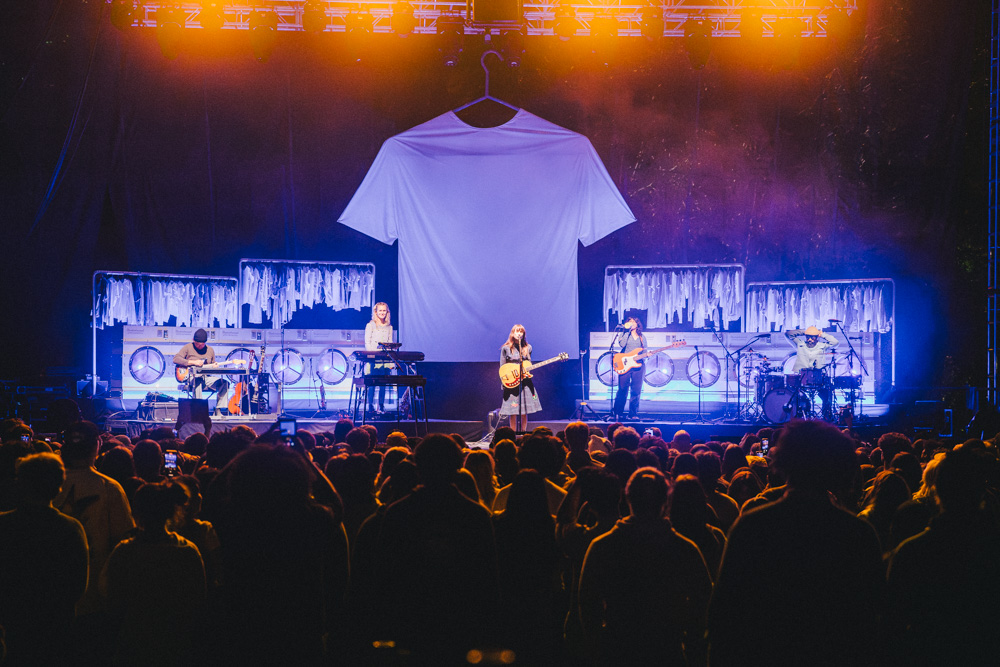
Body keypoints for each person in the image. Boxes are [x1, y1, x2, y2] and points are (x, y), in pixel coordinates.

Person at [0, 453, 89, 665]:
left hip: (12, 622)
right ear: (59, 485)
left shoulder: (4, 525)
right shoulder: (70, 528)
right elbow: (78, 585)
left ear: (21, 483)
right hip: (56, 624)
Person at [784, 325, 838, 419]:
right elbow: (788, 334)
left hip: (818, 377)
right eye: (808, 337)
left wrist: (822, 334)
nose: (809, 339)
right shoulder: (800, 344)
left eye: (812, 337)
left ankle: (826, 416)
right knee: (795, 396)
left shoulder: (822, 346)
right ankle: (798, 416)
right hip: (802, 378)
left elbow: (835, 343)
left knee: (827, 395)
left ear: (817, 338)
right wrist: (803, 331)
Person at [173, 328, 230, 417]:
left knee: (225, 383)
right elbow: (176, 359)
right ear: (193, 340)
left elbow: (211, 369)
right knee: (198, 379)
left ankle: (218, 409)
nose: (199, 347)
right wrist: (193, 362)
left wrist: (213, 366)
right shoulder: (188, 347)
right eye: (197, 344)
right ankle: (198, 410)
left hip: (205, 377)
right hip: (191, 377)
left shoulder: (210, 350)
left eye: (202, 345)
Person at [499, 324, 542, 430]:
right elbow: (502, 367)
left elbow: (529, 364)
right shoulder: (506, 348)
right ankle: (512, 433)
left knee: (524, 410)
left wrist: (526, 371)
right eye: (517, 331)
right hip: (512, 382)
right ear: (512, 333)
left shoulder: (528, 348)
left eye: (521, 332)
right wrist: (505, 382)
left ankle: (523, 433)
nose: (519, 334)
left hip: (525, 382)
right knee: (512, 411)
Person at [612, 316, 647, 421]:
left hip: (638, 365)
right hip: (625, 364)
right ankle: (618, 412)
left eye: (633, 321)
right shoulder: (624, 334)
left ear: (637, 324)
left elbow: (645, 350)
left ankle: (633, 414)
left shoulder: (642, 336)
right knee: (622, 389)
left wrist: (646, 355)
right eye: (629, 321)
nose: (631, 323)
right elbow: (621, 344)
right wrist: (626, 332)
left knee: (636, 390)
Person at [364, 302, 393, 415]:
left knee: (383, 383)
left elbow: (390, 342)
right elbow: (368, 342)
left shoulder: (389, 327)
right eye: (380, 310)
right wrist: (372, 355)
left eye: (384, 311)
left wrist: (390, 359)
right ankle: (370, 405)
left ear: (387, 312)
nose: (382, 313)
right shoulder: (370, 325)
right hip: (373, 358)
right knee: (372, 382)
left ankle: (381, 405)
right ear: (376, 312)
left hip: (385, 358)